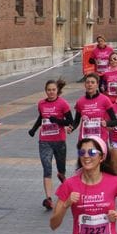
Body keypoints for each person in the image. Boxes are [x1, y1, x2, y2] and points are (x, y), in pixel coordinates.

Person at [27, 78, 73, 211]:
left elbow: (69, 121)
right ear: (45, 91)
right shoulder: (41, 104)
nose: (51, 92)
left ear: (57, 90)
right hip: (45, 140)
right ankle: (48, 198)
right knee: (47, 167)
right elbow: (41, 118)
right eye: (49, 90)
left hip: (59, 141)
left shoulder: (62, 103)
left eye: (53, 90)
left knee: (60, 169)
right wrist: (34, 130)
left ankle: (63, 178)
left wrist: (57, 121)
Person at [70, 72, 116, 142]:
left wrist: (106, 123)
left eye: (92, 82)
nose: (90, 85)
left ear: (97, 84)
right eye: (87, 82)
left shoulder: (105, 100)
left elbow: (115, 121)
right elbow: (76, 121)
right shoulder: (80, 101)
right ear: (85, 84)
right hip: (85, 138)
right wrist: (72, 128)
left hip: (100, 138)